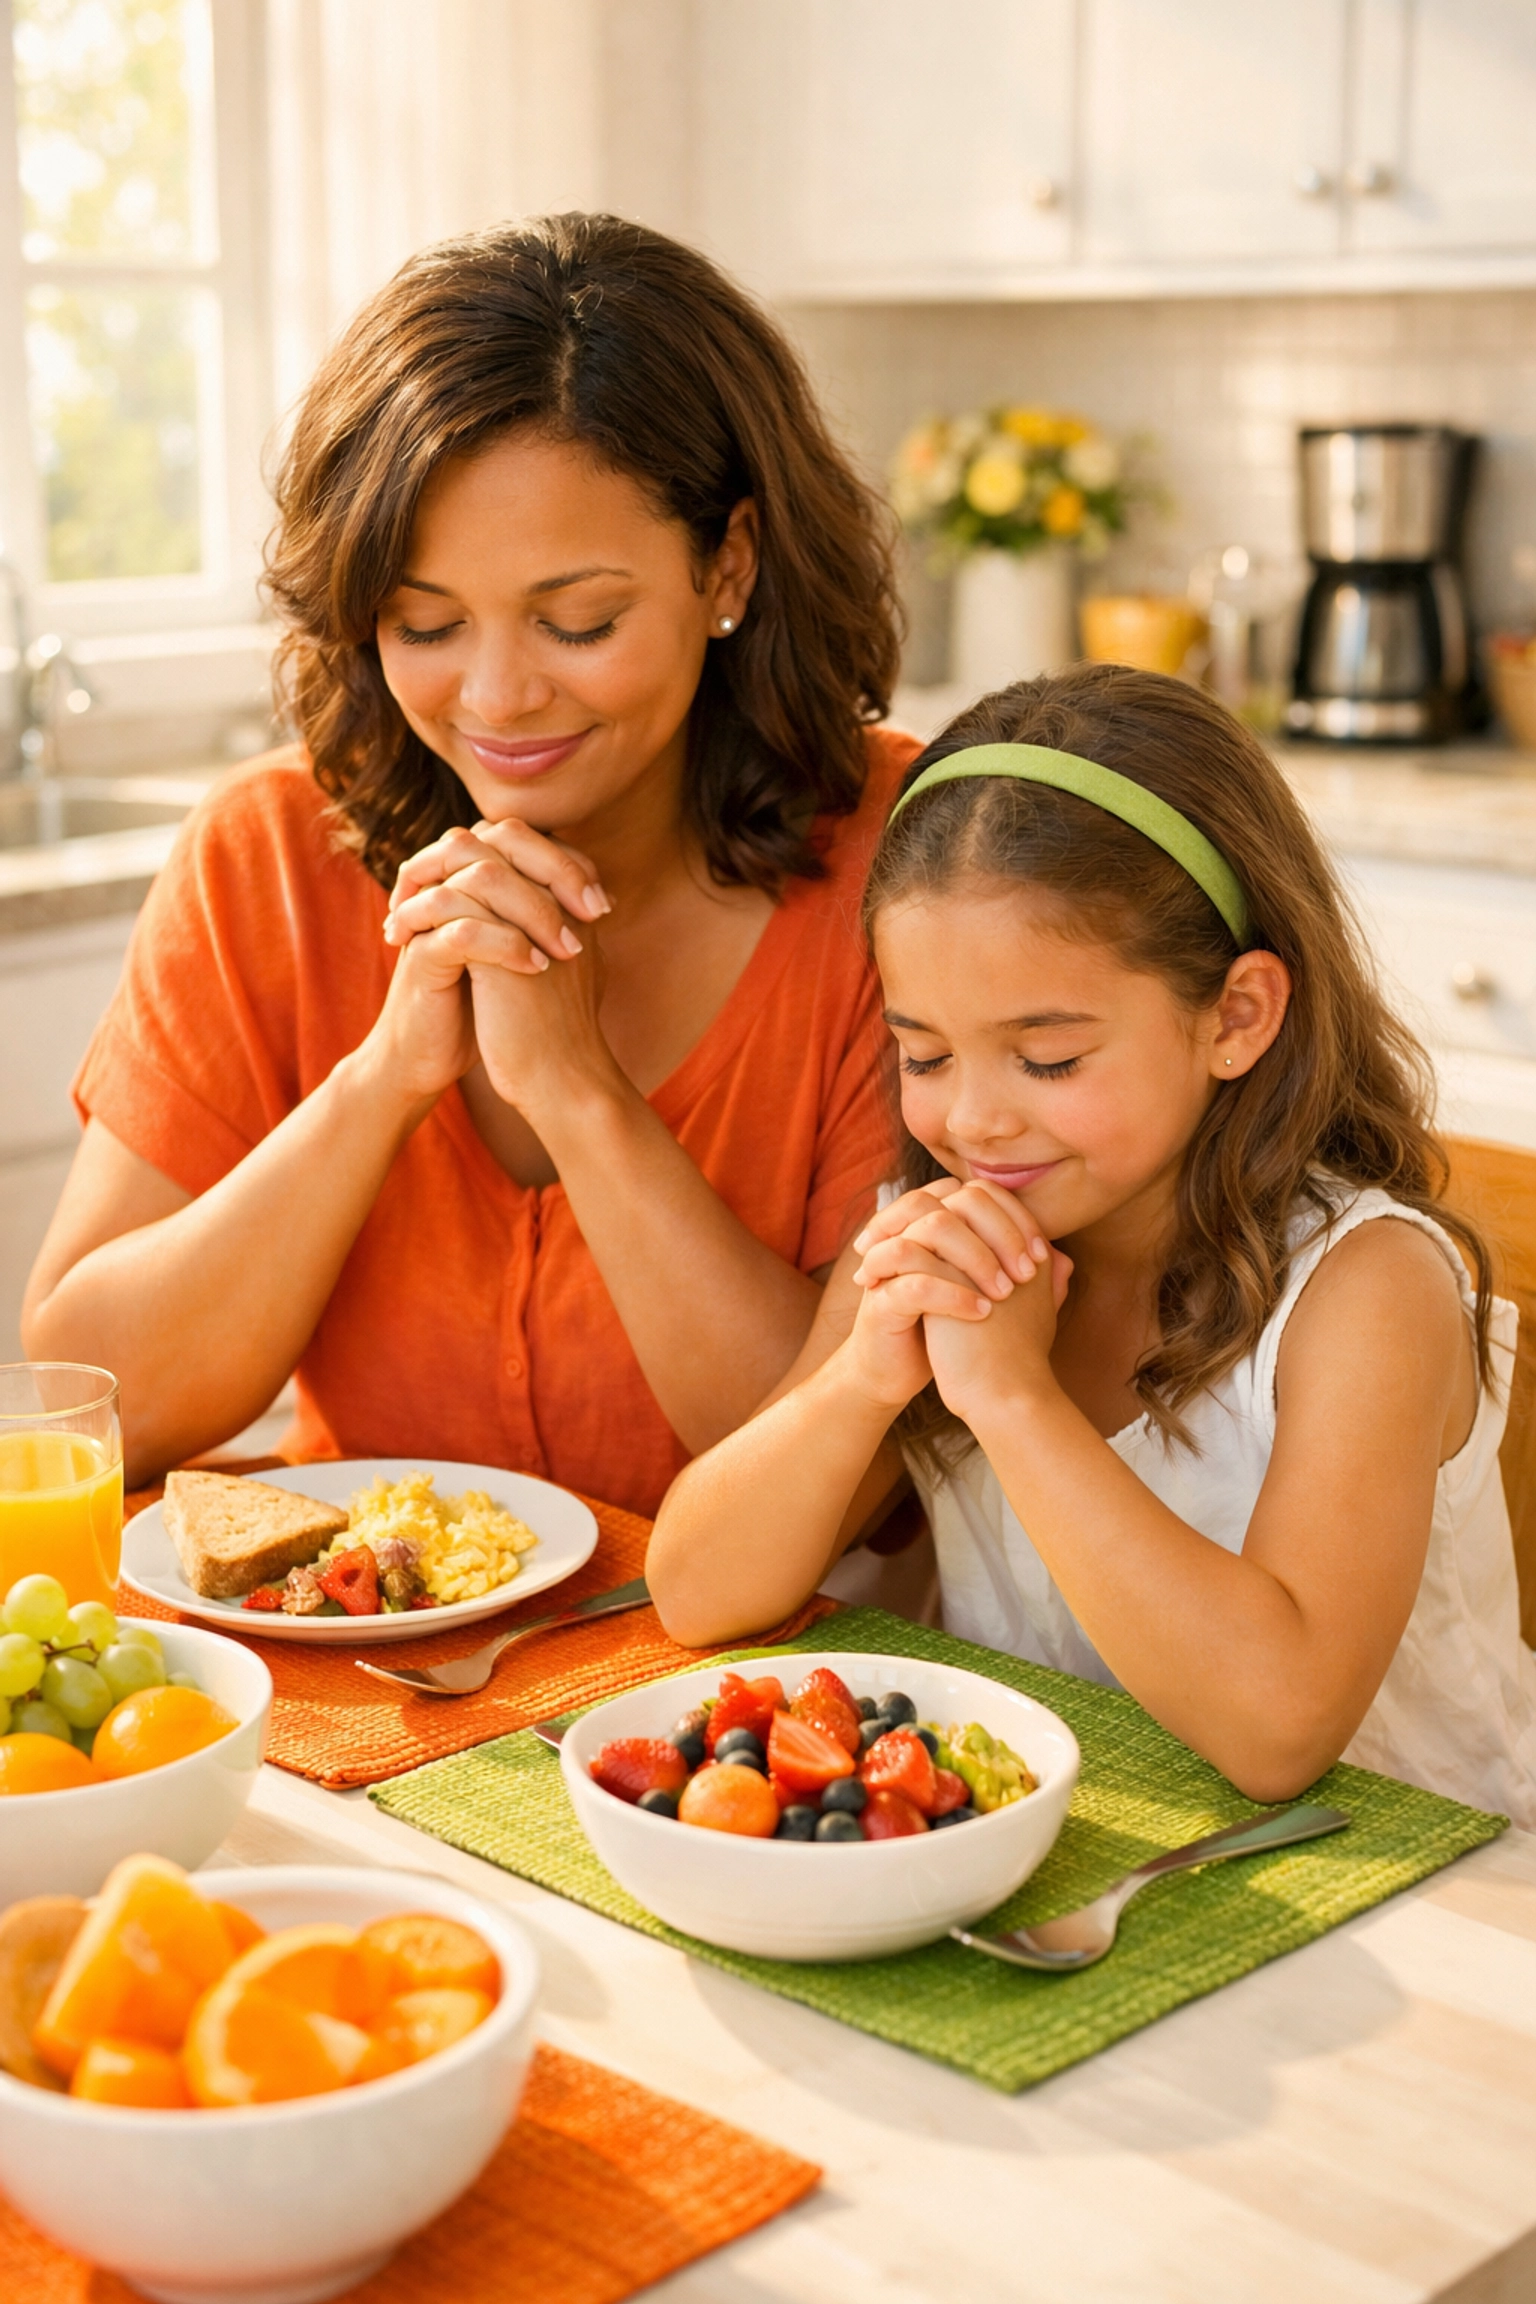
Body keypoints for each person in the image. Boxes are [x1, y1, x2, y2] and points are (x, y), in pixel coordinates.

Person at [22, 214, 916, 1510]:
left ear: (729, 564)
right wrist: (384, 1080)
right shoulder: (265, 853)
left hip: (753, 1688)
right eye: (424, 622)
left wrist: (578, 1095)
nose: (497, 697)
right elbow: (89, 1413)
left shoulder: (907, 863)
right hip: (358, 1671)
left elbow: (855, 1485)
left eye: (577, 620)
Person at [648, 663, 1536, 1823]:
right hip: (1090, 1860)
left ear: (1236, 1016)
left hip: (1429, 1907)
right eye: (924, 1054)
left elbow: (1280, 1731)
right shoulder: (933, 1242)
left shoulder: (1368, 1290)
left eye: (1049, 1059)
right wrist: (862, 1380)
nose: (973, 1119)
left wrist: (1016, 1404)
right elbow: (697, 1592)